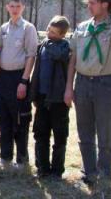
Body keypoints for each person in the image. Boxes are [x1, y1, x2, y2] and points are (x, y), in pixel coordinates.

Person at [66, 0, 111, 185]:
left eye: (93, 2)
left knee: (105, 131)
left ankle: (104, 173)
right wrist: (69, 87)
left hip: (105, 85)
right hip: (82, 83)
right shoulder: (83, 28)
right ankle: (89, 172)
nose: (88, 6)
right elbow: (73, 59)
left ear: (105, 4)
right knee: (84, 131)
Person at [0, 0, 38, 169]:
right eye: (11, 6)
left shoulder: (28, 28)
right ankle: (5, 156)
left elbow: (31, 55)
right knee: (3, 117)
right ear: (7, 7)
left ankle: (21, 159)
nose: (14, 9)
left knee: (20, 119)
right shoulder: (3, 28)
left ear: (23, 8)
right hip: (3, 77)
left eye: (18, 6)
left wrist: (23, 80)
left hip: (19, 77)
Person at [29, 16, 71, 178]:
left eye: (53, 32)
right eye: (48, 30)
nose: (49, 33)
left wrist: (47, 43)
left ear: (62, 35)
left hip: (58, 99)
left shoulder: (64, 47)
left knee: (59, 135)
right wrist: (34, 94)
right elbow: (37, 71)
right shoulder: (43, 46)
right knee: (40, 133)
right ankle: (42, 167)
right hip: (42, 97)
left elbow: (58, 54)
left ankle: (57, 169)